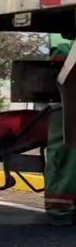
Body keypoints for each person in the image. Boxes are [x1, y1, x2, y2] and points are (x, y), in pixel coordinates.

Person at [44, 39, 76, 224]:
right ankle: (60, 209)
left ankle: (61, 209)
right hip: (65, 106)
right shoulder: (64, 46)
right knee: (65, 156)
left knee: (65, 156)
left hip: (64, 107)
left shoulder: (64, 45)